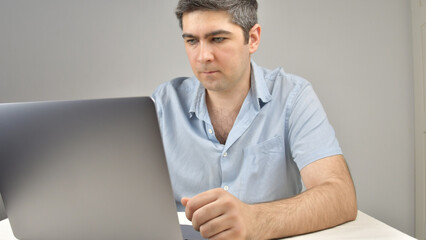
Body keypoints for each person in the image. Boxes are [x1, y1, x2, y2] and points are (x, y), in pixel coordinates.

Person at [152, 0, 357, 239]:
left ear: (253, 38)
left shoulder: (292, 96)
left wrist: (256, 220)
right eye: (192, 41)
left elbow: (340, 196)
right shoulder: (165, 102)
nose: (203, 56)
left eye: (218, 39)